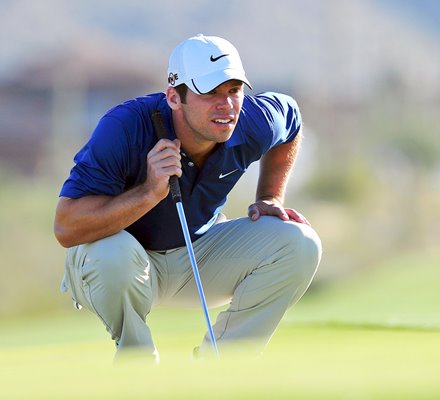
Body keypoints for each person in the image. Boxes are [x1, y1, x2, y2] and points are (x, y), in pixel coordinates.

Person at [53, 34, 322, 361]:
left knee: (300, 242)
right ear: (174, 97)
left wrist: (270, 196)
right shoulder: (125, 126)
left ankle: (221, 367)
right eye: (210, 93)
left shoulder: (254, 121)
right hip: (119, 265)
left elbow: (291, 120)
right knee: (112, 252)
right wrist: (149, 192)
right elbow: (67, 228)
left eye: (234, 90)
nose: (226, 105)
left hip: (198, 255)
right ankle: (136, 361)